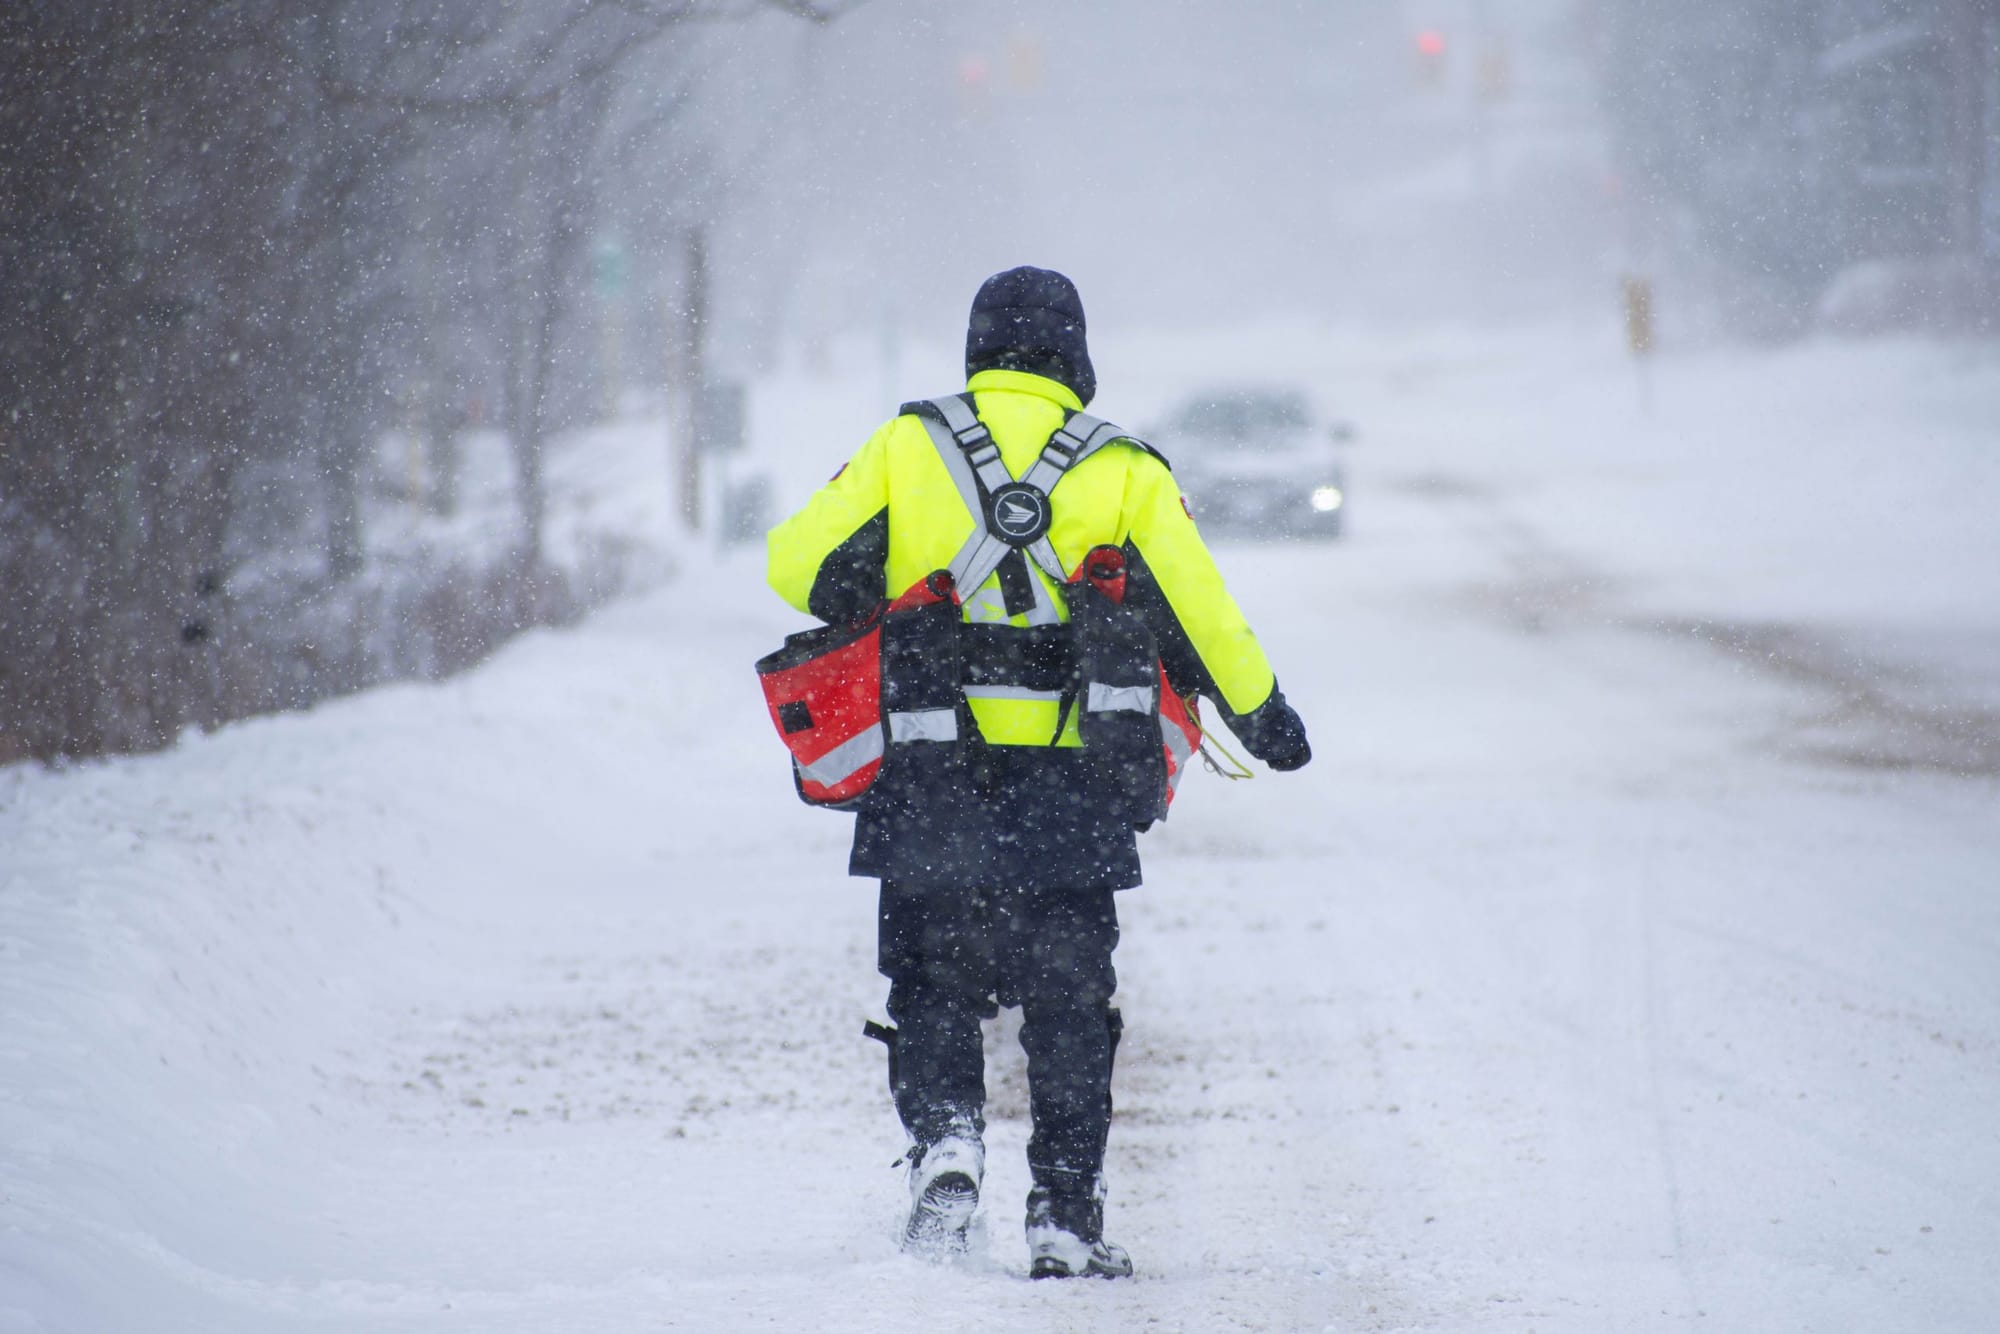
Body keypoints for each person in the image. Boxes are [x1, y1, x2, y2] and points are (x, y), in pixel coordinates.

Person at [765, 266, 1311, 1279]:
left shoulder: (907, 444)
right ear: (1075, 353)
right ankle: (1063, 1212)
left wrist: (893, 573)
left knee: (929, 977)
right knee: (1068, 1001)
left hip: (927, 765)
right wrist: (1263, 712)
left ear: (976, 345)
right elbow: (1202, 613)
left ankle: (945, 1142)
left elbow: (797, 565)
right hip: (1073, 786)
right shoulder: (1124, 469)